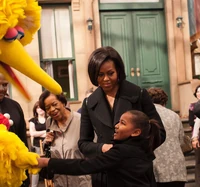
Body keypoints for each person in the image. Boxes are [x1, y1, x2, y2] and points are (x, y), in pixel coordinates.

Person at [78, 46, 166, 186]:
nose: (106, 79)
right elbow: (83, 143)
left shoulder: (138, 94)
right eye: (100, 75)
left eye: (110, 73)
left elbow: (159, 132)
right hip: (104, 174)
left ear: (118, 71)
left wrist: (135, 153)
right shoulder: (89, 102)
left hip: (136, 173)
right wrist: (102, 147)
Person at [37, 110, 161, 187]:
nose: (116, 126)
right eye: (118, 122)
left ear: (135, 132)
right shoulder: (143, 150)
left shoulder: (121, 152)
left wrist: (48, 162)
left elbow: (84, 165)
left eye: (123, 123)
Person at [38, 90, 92, 187]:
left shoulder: (82, 120)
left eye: (54, 104)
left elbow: (92, 152)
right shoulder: (49, 122)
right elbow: (50, 152)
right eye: (47, 108)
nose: (52, 109)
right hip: (59, 182)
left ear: (63, 102)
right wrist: (47, 142)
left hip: (81, 182)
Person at [147, 87, 187, 187]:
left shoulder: (146, 115)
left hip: (156, 168)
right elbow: (181, 141)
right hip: (177, 168)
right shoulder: (174, 115)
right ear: (164, 100)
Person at [0, 73, 30, 187]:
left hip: (16, 174)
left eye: (5, 85)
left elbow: (23, 140)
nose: (1, 89)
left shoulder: (15, 106)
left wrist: (26, 176)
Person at [29, 101, 47, 187]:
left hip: (48, 146)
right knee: (36, 166)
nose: (40, 109)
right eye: (38, 108)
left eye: (41, 107)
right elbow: (32, 133)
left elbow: (52, 131)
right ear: (35, 110)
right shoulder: (33, 121)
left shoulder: (49, 119)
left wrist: (38, 133)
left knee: (50, 166)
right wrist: (45, 132)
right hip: (37, 146)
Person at [189, 84, 200, 187]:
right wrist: (195, 137)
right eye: (197, 91)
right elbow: (194, 122)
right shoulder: (193, 106)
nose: (199, 93)